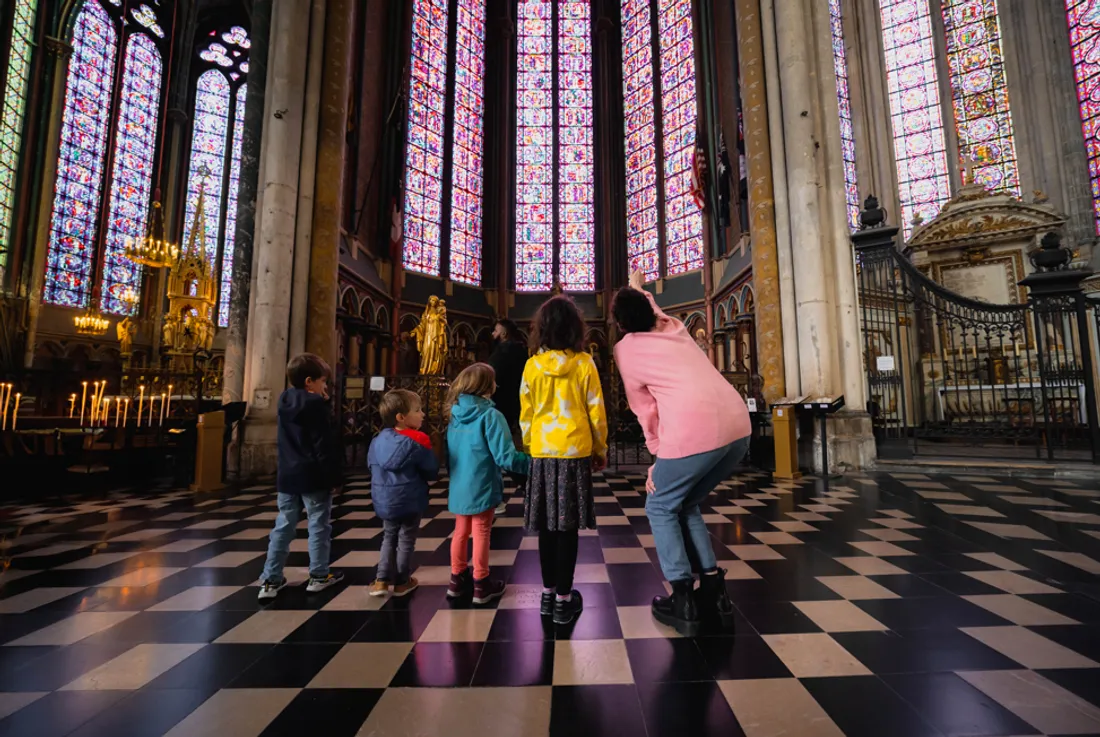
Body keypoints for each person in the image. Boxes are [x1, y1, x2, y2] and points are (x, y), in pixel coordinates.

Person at [612, 270, 751, 636]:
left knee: (659, 504)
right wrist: (639, 288)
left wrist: (658, 460)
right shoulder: (674, 326)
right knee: (684, 502)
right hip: (738, 427)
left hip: (695, 433)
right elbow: (650, 308)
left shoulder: (626, 350)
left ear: (620, 323)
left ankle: (683, 600)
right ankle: (715, 593)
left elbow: (646, 411)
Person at [521, 296, 607, 625]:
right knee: (567, 528)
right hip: (574, 452)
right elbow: (596, 411)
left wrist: (531, 445)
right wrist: (600, 448)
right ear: (576, 328)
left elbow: (526, 413)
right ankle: (563, 599)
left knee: (546, 526)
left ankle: (547, 594)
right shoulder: (584, 363)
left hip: (543, 452)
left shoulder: (532, 365)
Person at [259, 353, 346, 600]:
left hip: (288, 474)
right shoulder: (316, 406)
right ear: (309, 382)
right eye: (322, 382)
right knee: (318, 524)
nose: (325, 387)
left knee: (283, 525)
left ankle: (270, 579)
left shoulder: (284, 400)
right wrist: (334, 478)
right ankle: (318, 575)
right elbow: (323, 445)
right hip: (313, 475)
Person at [445, 363, 531, 603]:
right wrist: (533, 463)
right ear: (485, 385)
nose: (497, 384)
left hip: (460, 482)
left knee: (461, 531)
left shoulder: (454, 414)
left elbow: (448, 451)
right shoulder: (490, 415)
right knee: (482, 530)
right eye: (493, 380)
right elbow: (506, 457)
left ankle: (456, 578)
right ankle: (481, 583)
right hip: (481, 481)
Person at [367, 389, 440, 597]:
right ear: (401, 417)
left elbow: (371, 466)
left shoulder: (377, 440)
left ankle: (381, 580)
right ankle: (401, 581)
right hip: (409, 498)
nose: (423, 414)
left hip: (384, 498)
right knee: (406, 538)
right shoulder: (419, 440)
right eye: (418, 410)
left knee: (388, 536)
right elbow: (431, 471)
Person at [488, 318, 529, 514]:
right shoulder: (522, 351)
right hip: (518, 404)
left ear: (503, 333)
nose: (492, 335)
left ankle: (526, 484)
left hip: (499, 406)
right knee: (506, 450)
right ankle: (529, 484)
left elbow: (491, 376)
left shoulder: (502, 353)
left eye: (495, 331)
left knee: (497, 451)